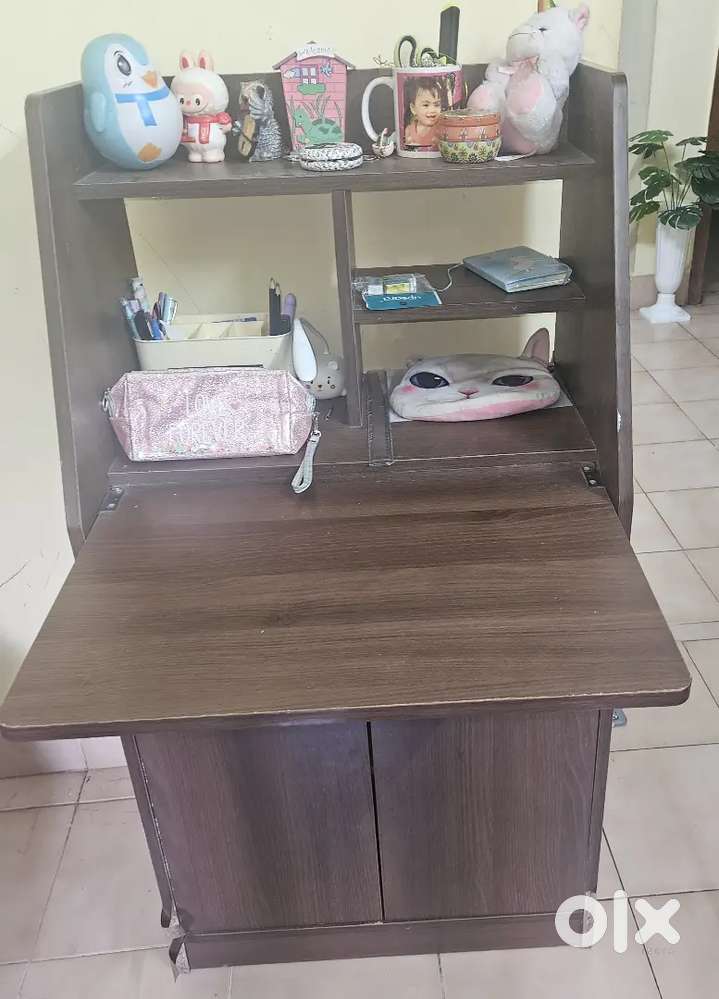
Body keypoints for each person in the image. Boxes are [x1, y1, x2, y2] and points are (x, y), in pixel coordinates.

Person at [403, 77, 443, 149]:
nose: (432, 110)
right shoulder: (409, 130)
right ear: (413, 108)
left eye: (436, 105)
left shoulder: (441, 129)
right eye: (426, 105)